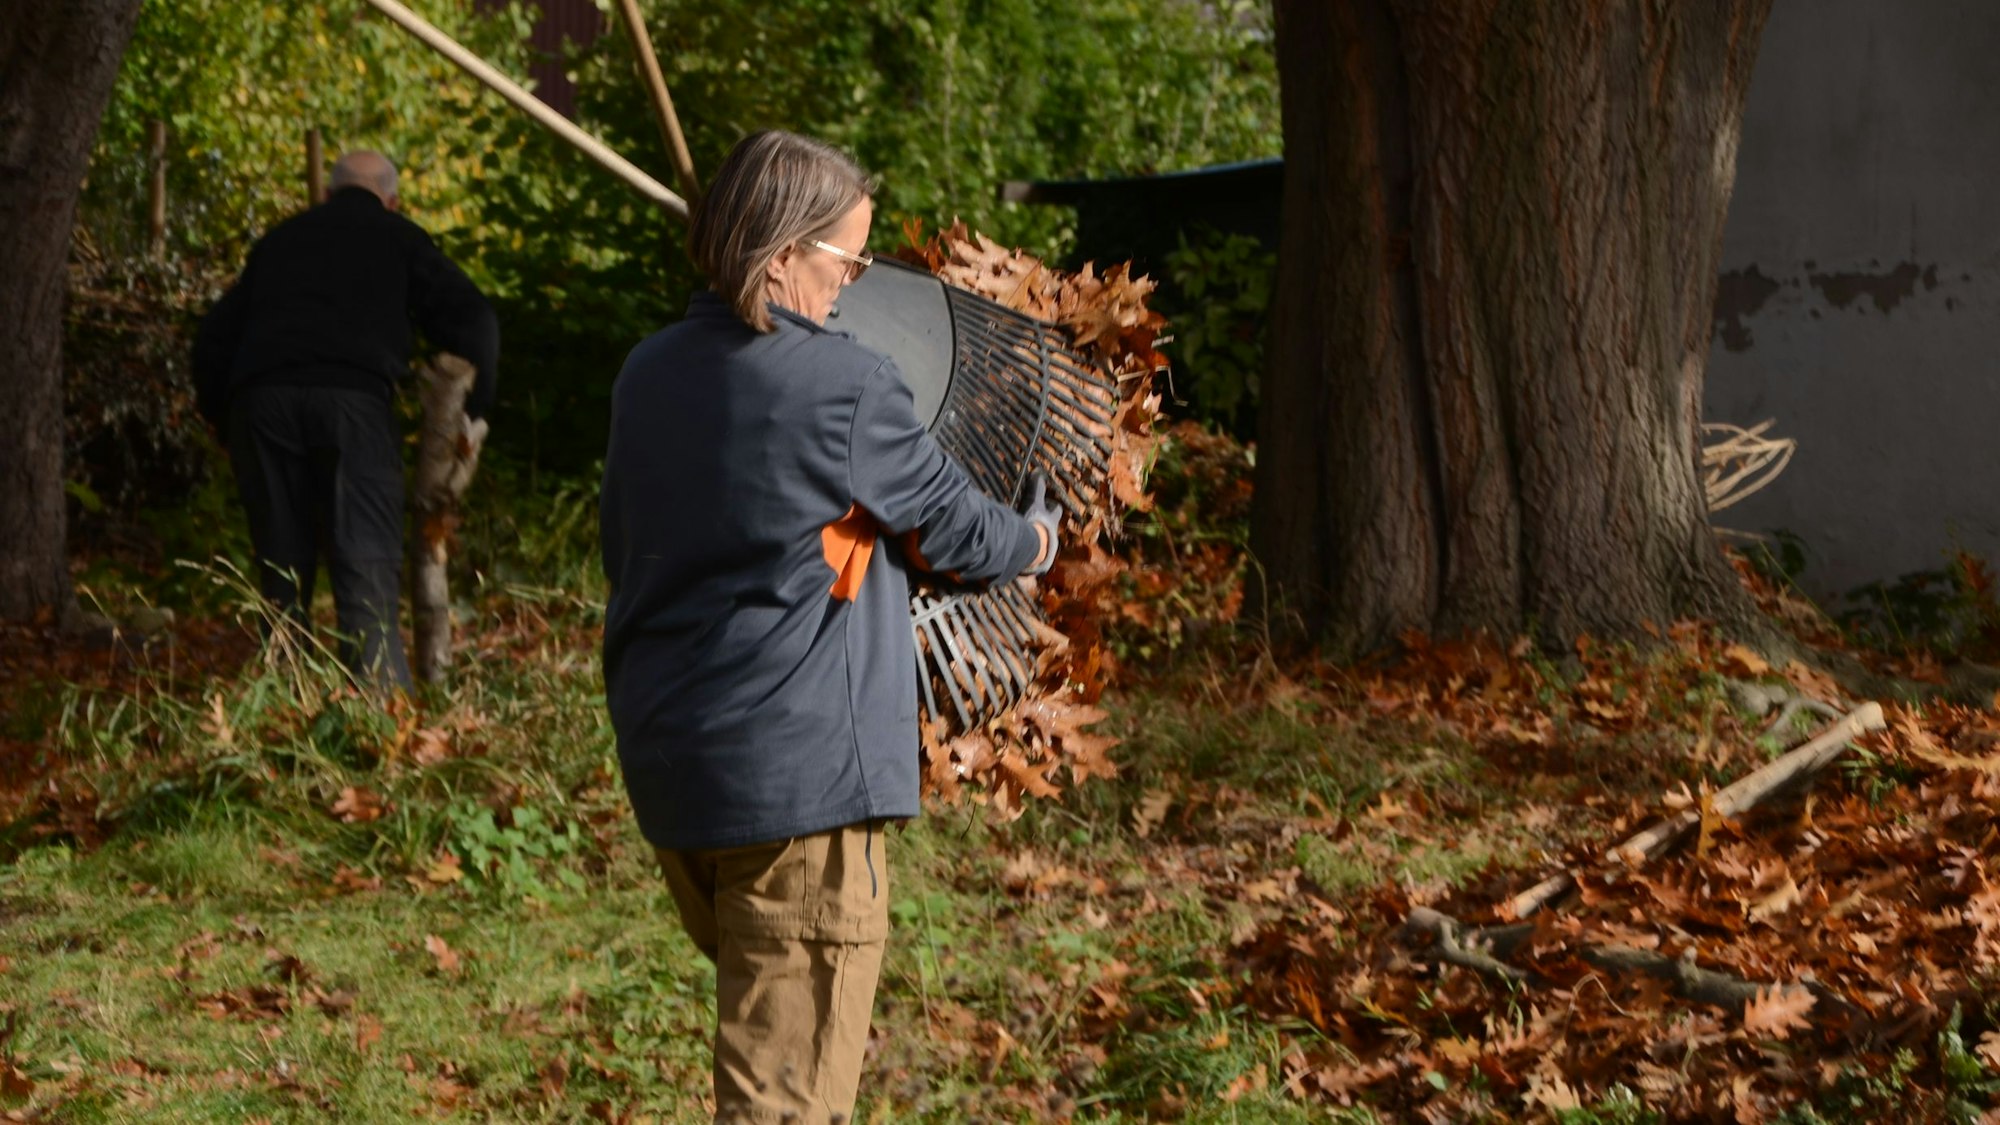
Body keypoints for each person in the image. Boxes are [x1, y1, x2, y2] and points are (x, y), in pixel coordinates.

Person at [599, 131, 1060, 1123]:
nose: (853, 284)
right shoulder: (839, 384)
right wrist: (1036, 542)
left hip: (679, 772)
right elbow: (955, 527)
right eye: (843, 261)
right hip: (794, 789)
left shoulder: (646, 374)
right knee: (784, 1100)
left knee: (765, 1039)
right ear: (778, 258)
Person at [192, 150, 498, 690]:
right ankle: (378, 718)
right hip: (353, 403)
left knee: (281, 571)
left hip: (262, 405)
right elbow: (475, 320)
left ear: (327, 196)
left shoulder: (281, 241)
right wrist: (474, 413)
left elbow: (211, 340)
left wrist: (221, 419)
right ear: (392, 200)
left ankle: (280, 707)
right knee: (365, 567)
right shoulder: (398, 237)